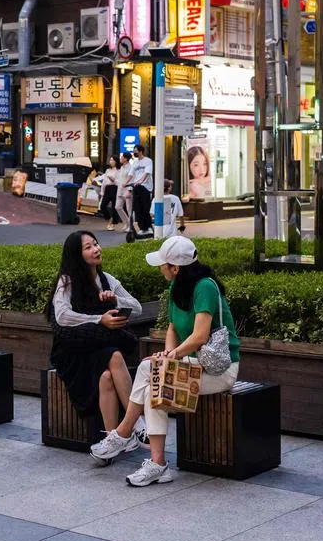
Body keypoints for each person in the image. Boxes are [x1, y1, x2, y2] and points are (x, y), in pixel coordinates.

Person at [90, 236, 240, 487]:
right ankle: (158, 464)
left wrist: (171, 356)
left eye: (163, 264)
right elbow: (172, 328)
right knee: (152, 386)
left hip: (219, 370)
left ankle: (124, 433)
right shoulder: (176, 287)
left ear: (175, 267)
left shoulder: (205, 287)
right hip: (192, 364)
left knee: (149, 368)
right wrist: (169, 354)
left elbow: (200, 335)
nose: (160, 268)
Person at [47, 231, 145, 439]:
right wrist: (99, 319)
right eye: (88, 247)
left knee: (107, 376)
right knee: (115, 356)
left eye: (96, 244)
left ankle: (114, 439)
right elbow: (63, 316)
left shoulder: (107, 280)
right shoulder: (67, 281)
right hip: (73, 351)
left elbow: (137, 308)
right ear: (77, 254)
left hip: (99, 346)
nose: (96, 249)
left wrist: (116, 300)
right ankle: (136, 421)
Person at [128, 144, 154, 235]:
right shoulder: (135, 162)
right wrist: (125, 183)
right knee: (137, 208)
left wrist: (141, 181)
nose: (134, 153)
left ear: (141, 151)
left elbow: (147, 173)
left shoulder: (148, 161)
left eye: (136, 151)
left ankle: (148, 227)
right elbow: (131, 174)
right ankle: (142, 227)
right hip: (136, 187)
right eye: (134, 151)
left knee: (145, 208)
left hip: (146, 187)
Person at [97, 156, 121, 231]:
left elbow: (119, 182)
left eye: (112, 160)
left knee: (114, 207)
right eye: (110, 160)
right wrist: (102, 192)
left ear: (116, 161)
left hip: (114, 188)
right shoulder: (108, 170)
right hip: (107, 188)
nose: (111, 161)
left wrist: (112, 179)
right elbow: (104, 182)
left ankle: (112, 223)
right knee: (103, 205)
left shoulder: (119, 170)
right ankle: (109, 219)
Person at [114, 152, 133, 230]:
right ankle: (126, 222)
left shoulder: (131, 168)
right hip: (120, 189)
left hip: (127, 190)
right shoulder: (122, 167)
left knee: (129, 209)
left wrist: (130, 190)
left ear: (125, 159)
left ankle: (130, 226)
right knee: (118, 207)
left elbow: (132, 179)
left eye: (122, 157)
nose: (120, 159)